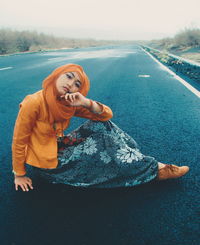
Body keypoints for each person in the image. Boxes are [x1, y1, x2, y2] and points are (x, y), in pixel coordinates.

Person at [12, 63, 189, 192]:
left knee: (102, 125)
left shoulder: (67, 102)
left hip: (59, 146)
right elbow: (19, 141)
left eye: (77, 84)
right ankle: (156, 170)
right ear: (58, 74)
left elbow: (106, 115)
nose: (70, 84)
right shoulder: (34, 102)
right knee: (103, 148)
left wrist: (86, 103)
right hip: (49, 164)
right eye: (69, 76)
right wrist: (19, 174)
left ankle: (137, 159)